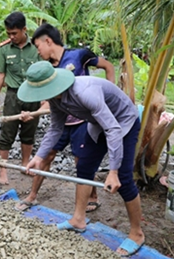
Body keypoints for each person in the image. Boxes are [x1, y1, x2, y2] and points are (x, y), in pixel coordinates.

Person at [20, 61, 144, 257]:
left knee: (124, 178)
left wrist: (112, 172)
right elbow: (55, 129)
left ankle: (137, 233)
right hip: (98, 124)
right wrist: (38, 156)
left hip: (123, 122)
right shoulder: (56, 99)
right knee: (84, 167)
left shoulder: (85, 93)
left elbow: (113, 129)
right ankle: (78, 219)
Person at [16, 23, 116, 211]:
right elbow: (50, 102)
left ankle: (93, 197)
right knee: (46, 156)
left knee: (82, 161)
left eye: (38, 46)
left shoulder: (79, 56)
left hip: (82, 121)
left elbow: (108, 66)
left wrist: (111, 92)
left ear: (48, 41)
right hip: (61, 122)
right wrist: (33, 113)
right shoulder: (47, 69)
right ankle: (32, 196)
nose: (38, 52)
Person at [0, 12, 40, 185]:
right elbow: (0, 73)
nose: (11, 37)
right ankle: (3, 170)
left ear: (24, 30)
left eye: (14, 33)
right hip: (13, 95)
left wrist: (44, 98)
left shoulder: (37, 47)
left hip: (34, 94)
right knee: (7, 132)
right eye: (8, 34)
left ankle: (25, 163)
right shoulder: (4, 49)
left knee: (29, 131)